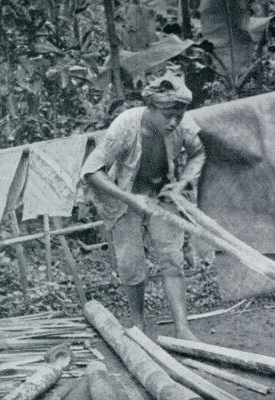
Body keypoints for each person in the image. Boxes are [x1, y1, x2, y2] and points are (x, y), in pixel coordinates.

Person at [80, 67, 205, 340]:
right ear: (151, 107)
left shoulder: (183, 125)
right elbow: (91, 171)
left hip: (162, 195)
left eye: (179, 115)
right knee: (131, 262)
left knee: (171, 259)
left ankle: (182, 328)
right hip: (125, 198)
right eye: (167, 115)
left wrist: (183, 182)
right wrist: (129, 198)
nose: (174, 122)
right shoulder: (126, 125)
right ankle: (138, 324)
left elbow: (198, 152)